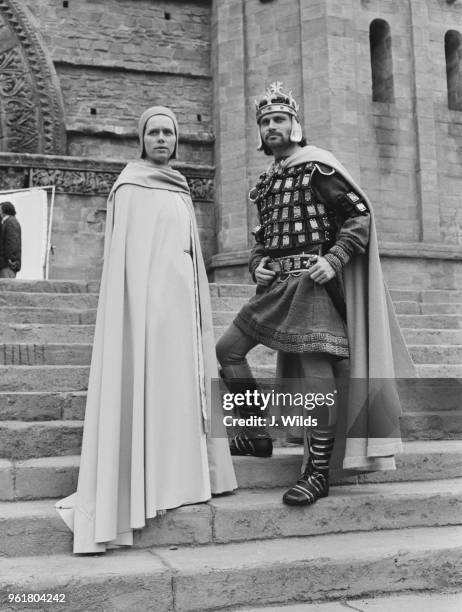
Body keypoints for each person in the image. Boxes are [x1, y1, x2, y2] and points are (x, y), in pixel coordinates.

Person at [216, 82, 415, 506]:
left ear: (295, 125)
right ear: (260, 132)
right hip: (276, 288)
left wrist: (335, 258)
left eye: (279, 120)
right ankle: (254, 435)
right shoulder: (266, 183)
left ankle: (317, 472)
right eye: (266, 121)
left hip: (313, 287)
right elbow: (262, 239)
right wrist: (258, 264)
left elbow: (358, 218)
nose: (272, 127)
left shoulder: (317, 169)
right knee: (229, 350)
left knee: (318, 381)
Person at [56, 106, 237, 553]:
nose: (161, 139)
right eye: (154, 132)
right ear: (141, 139)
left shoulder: (180, 187)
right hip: (145, 311)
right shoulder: (129, 186)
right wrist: (142, 305)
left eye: (168, 133)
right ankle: (145, 485)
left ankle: (183, 479)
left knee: (181, 392)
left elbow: (189, 252)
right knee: (148, 391)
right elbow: (125, 259)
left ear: (176, 140)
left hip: (182, 310)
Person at [0, 201, 21, 278]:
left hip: (8, 264)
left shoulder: (11, 222)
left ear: (5, 210)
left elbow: (12, 241)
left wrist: (11, 258)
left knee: (6, 287)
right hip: (6, 263)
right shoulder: (7, 221)